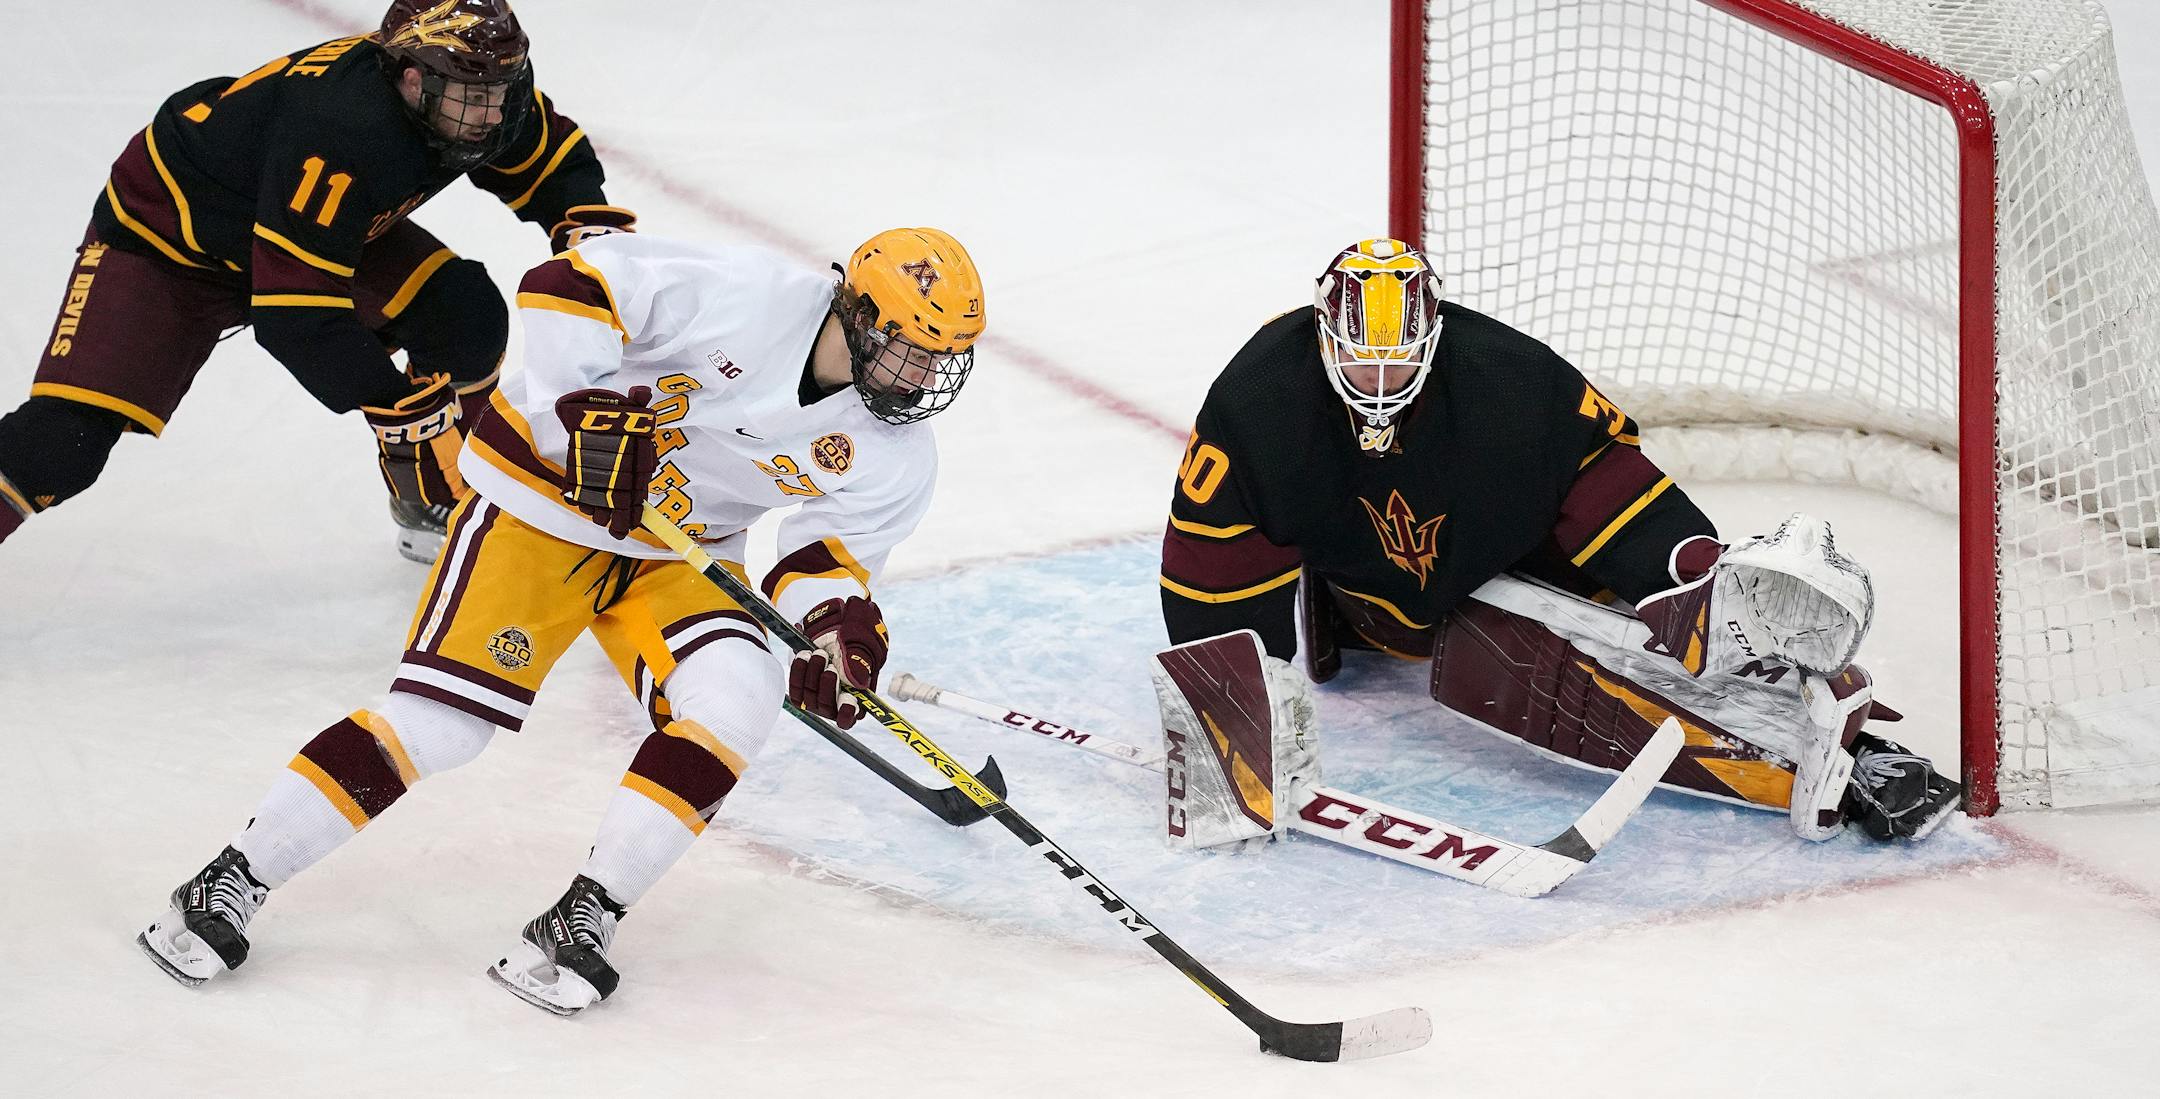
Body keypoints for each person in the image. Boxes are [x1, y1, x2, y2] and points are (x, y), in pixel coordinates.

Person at [136, 226, 986, 1014]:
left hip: (679, 553)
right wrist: (577, 409)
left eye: (942, 360)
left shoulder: (897, 452)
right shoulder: (746, 295)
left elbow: (821, 561)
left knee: (740, 697)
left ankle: (584, 915)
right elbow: (567, 283)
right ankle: (231, 879)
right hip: (540, 509)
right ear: (859, 317)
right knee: (443, 726)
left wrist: (836, 630)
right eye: (912, 350)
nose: (923, 378)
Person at [1157, 237, 1959, 843]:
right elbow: (1210, 568)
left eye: (1396, 367)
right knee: (1528, 658)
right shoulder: (1258, 402)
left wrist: (1686, 570)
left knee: (1630, 639)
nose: (1378, 386)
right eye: (1361, 367)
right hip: (1368, 602)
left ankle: (1854, 758)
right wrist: (1230, 706)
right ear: (1325, 338)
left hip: (1508, 554)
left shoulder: (1508, 378)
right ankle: (1803, 765)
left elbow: (1603, 478)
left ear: (1432, 342)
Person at [0, 0, 638, 562]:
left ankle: (439, 504)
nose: (492, 114)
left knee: (463, 317)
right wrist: (395, 408)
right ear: (411, 79)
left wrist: (587, 232)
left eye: (502, 89)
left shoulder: (477, 92)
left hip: (298, 218)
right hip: (168, 241)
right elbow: (296, 317)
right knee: (63, 445)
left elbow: (550, 163)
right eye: (475, 97)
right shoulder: (344, 128)